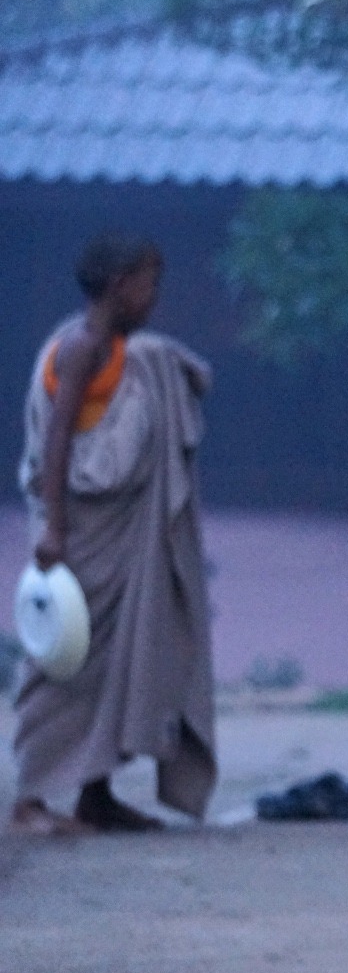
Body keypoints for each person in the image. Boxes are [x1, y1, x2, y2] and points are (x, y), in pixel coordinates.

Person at [13, 234, 216, 836]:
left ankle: (95, 795)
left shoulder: (132, 353)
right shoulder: (80, 347)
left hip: (122, 537)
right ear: (119, 284)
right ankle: (28, 799)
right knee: (60, 661)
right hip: (77, 532)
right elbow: (56, 444)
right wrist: (53, 525)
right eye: (148, 284)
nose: (154, 298)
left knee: (114, 662)